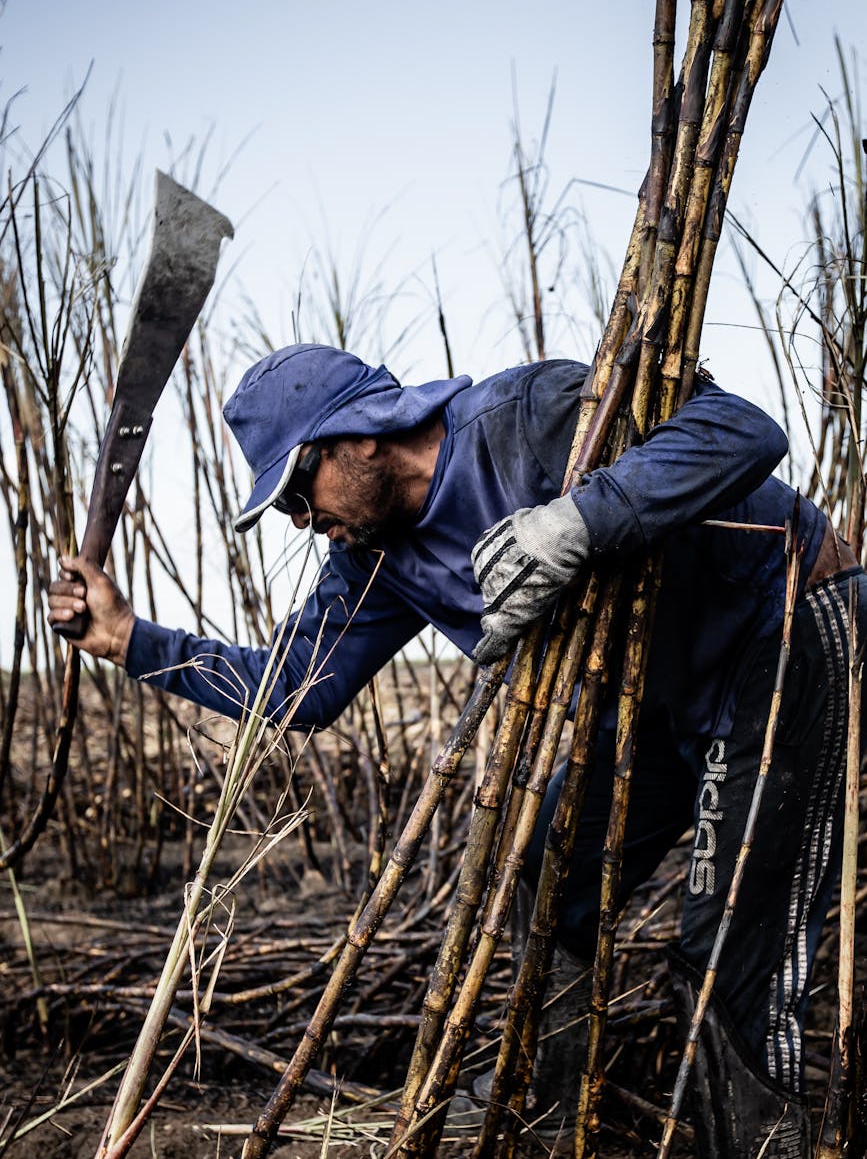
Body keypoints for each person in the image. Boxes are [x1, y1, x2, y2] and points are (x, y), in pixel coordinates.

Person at [48, 342, 864, 1158]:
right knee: (550, 871)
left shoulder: (529, 416)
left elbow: (741, 431)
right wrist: (127, 639)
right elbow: (298, 686)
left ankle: (761, 1144)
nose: (301, 521)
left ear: (360, 435)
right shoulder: (374, 559)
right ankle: (550, 1104)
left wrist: (578, 521)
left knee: (728, 947)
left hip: (785, 628)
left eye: (298, 488)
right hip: (652, 693)